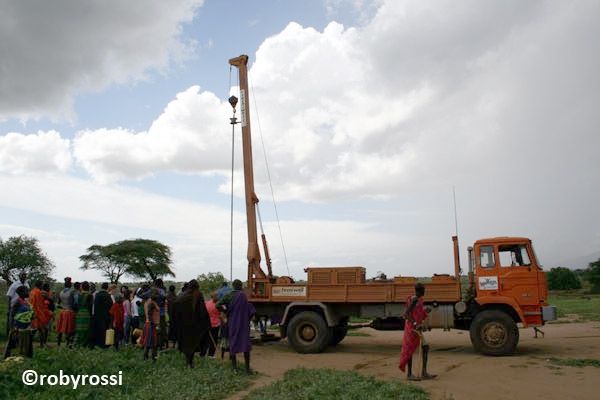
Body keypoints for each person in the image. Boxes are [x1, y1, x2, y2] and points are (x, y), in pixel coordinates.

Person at [398, 282, 437, 380]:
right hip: (412, 329)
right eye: (424, 290)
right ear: (420, 291)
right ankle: (410, 374)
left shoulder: (419, 300)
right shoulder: (414, 300)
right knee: (410, 350)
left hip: (416, 328)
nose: (425, 292)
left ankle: (423, 372)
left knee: (425, 347)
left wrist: (426, 311)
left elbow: (418, 314)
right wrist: (415, 324)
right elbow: (406, 315)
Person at [217, 279, 255, 373]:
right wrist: (247, 319)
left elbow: (218, 305)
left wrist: (227, 311)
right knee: (246, 345)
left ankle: (235, 369)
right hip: (243, 324)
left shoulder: (229, 295)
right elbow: (251, 311)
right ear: (241, 286)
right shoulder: (243, 296)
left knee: (232, 344)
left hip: (232, 323)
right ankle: (247, 369)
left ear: (233, 286)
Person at [173, 279, 210, 368]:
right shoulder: (198, 295)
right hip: (194, 325)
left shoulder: (181, 296)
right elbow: (202, 311)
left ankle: (188, 362)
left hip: (183, 325)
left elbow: (175, 311)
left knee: (186, 343)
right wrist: (206, 323)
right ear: (196, 288)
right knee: (193, 343)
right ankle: (190, 362)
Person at [4, 286, 34, 358]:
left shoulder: (26, 301)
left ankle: (26, 357)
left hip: (26, 327)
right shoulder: (17, 302)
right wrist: (12, 327)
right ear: (20, 293)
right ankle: (9, 358)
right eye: (26, 291)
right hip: (17, 327)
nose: (28, 292)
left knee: (27, 344)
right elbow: (12, 315)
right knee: (14, 343)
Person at [29, 281, 52, 347]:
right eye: (41, 285)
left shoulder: (32, 291)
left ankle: (31, 343)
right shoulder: (38, 292)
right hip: (37, 312)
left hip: (32, 311)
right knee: (41, 329)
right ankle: (42, 344)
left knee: (37, 329)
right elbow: (39, 304)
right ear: (40, 285)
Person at [56, 277, 77, 347]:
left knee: (60, 328)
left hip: (62, 312)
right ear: (70, 284)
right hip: (70, 312)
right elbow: (75, 303)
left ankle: (58, 343)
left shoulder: (61, 292)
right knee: (70, 329)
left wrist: (62, 307)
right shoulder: (72, 292)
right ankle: (68, 343)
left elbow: (58, 304)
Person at [91, 282, 113, 348]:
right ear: (107, 288)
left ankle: (97, 344)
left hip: (97, 316)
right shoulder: (107, 296)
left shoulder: (97, 295)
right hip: (105, 316)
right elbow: (111, 306)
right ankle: (104, 345)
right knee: (104, 331)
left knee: (98, 330)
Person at [141, 290, 160, 362]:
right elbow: (149, 314)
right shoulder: (151, 303)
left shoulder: (151, 302)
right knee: (152, 343)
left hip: (150, 324)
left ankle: (147, 357)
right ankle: (152, 358)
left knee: (150, 342)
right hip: (151, 325)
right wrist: (154, 324)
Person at [200, 291, 221, 358]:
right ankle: (211, 354)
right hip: (215, 324)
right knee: (214, 339)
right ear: (215, 297)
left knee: (207, 339)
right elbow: (220, 314)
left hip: (207, 324)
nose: (218, 297)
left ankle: (203, 353)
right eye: (217, 296)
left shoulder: (207, 303)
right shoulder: (218, 304)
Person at [75, 281, 93, 347]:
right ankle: (84, 344)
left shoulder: (79, 295)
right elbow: (91, 306)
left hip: (79, 314)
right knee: (86, 330)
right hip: (87, 314)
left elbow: (77, 305)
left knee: (79, 329)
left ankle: (78, 343)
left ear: (82, 287)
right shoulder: (90, 295)